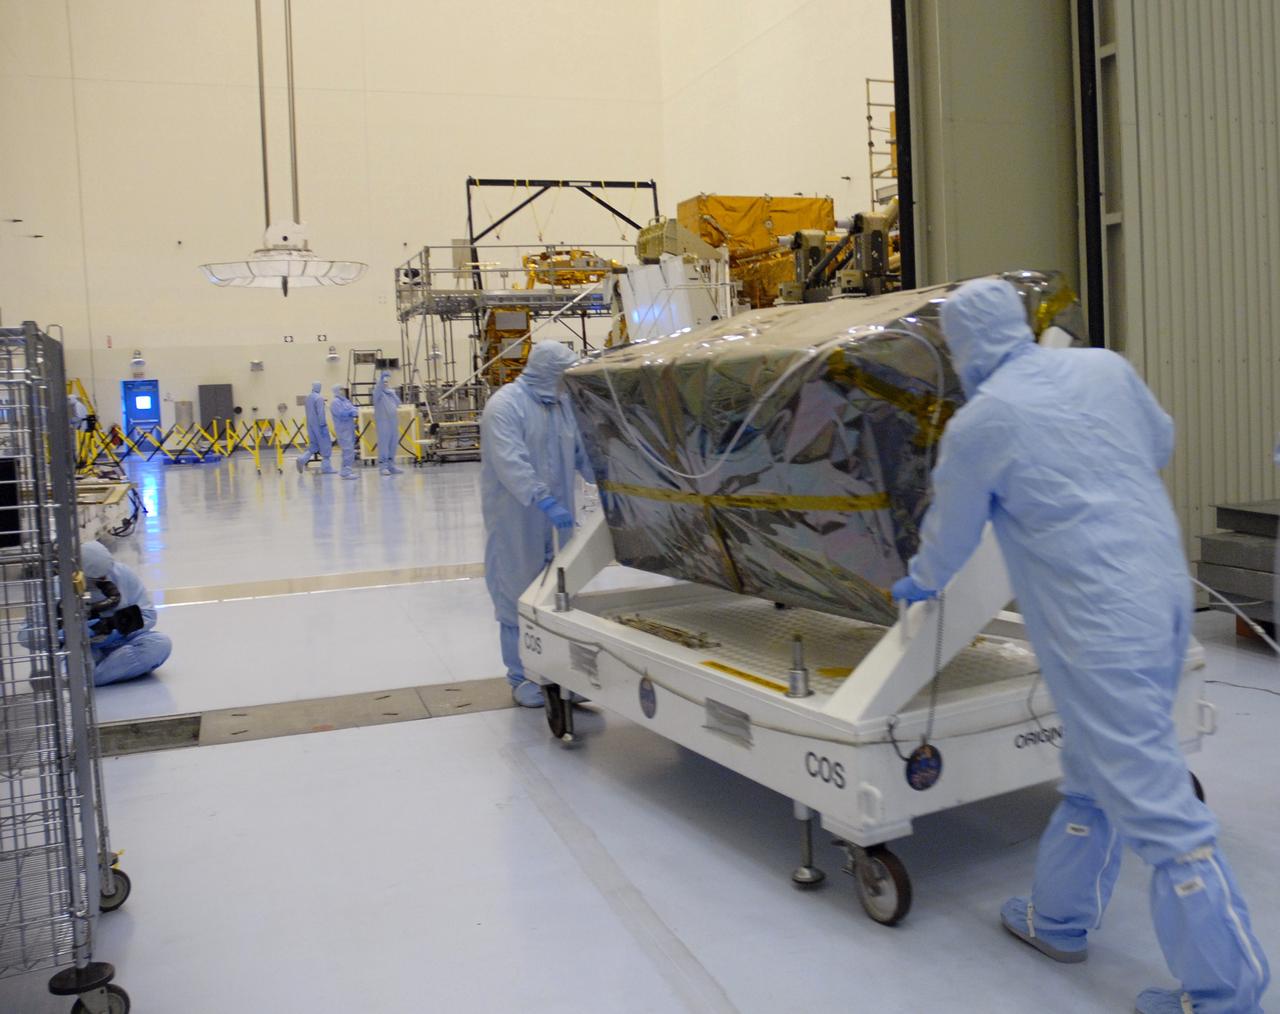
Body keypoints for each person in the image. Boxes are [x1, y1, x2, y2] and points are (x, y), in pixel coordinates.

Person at [891, 279, 1268, 1014]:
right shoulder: (1103, 368)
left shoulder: (982, 425)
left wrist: (917, 583)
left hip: (1098, 631)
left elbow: (951, 537)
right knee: (1093, 773)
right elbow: (1158, 440)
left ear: (963, 347)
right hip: (1160, 595)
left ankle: (1227, 994)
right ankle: (1057, 919)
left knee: (1160, 811)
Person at [480, 341, 592, 708]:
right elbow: (509, 461)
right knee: (516, 592)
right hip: (518, 517)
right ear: (546, 372)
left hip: (558, 519)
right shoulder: (505, 406)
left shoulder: (562, 407)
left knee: (560, 594)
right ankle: (522, 677)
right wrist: (540, 497)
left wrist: (609, 484)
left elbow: (581, 453)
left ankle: (561, 675)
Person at [81, 540, 171, 686]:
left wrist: (116, 625)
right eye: (98, 579)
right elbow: (33, 634)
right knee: (67, 661)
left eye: (106, 574)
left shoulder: (123, 574)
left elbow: (148, 614)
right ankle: (113, 671)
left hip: (123, 640)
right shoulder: (60, 585)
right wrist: (87, 629)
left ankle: (92, 678)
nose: (105, 579)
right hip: (85, 647)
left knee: (160, 644)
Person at [296, 381, 335, 474]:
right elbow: (320, 413)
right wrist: (323, 425)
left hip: (310, 425)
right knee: (325, 445)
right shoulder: (319, 398)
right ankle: (326, 468)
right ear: (318, 388)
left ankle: (302, 459)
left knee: (314, 445)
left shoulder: (308, 398)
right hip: (319, 426)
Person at [373, 372, 404, 475]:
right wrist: (381, 379)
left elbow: (398, 403)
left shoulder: (390, 393)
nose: (385, 384)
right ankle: (383, 467)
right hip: (383, 423)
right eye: (383, 382)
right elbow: (378, 388)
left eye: (386, 382)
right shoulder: (377, 394)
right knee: (384, 444)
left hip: (393, 422)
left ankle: (391, 466)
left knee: (393, 444)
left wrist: (393, 394)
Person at [330, 384, 359, 480]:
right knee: (347, 450)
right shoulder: (335, 402)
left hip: (349, 428)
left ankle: (347, 469)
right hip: (342, 430)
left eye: (342, 389)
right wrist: (350, 413)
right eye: (340, 389)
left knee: (350, 450)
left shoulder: (345, 401)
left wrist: (356, 410)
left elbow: (352, 408)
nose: (342, 391)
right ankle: (345, 472)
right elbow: (340, 414)